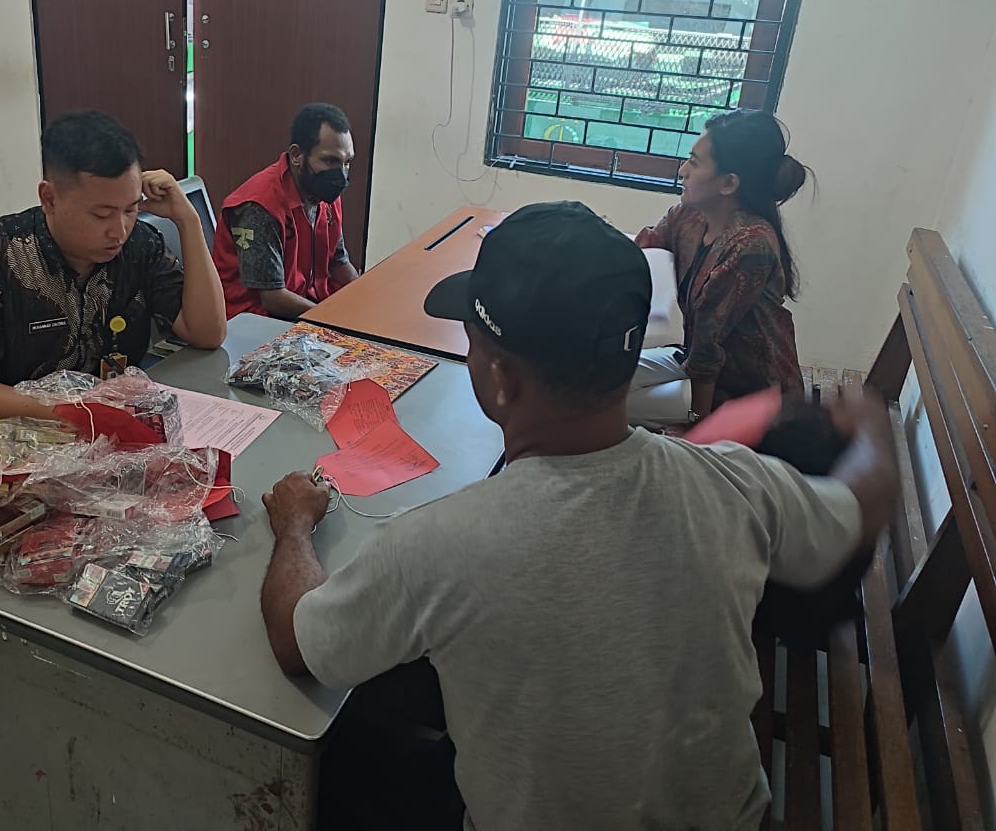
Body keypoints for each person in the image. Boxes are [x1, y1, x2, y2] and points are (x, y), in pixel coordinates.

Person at [257, 201, 899, 830]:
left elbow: (296, 642)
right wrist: (872, 428)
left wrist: (294, 525)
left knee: (348, 756)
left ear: (501, 378)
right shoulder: (734, 481)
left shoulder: (437, 545)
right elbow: (864, 503)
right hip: (731, 815)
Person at [0, 110, 226, 428]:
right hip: (12, 443)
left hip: (108, 435)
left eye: (131, 209)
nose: (119, 230)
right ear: (49, 199)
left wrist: (188, 220)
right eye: (101, 215)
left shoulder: (139, 245)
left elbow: (207, 333)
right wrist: (76, 411)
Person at [631, 109, 807, 423]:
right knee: (587, 381)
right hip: (692, 361)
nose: (683, 170)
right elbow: (640, 249)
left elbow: (707, 350)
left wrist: (697, 427)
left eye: (694, 163)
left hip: (747, 395)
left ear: (728, 183)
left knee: (598, 407)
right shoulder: (688, 216)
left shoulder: (750, 246)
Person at [213, 103, 360, 319]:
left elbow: (338, 263)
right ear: (296, 155)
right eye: (330, 160)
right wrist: (331, 319)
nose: (341, 174)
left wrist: (364, 300)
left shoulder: (325, 195)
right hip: (256, 320)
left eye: (347, 163)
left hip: (306, 306)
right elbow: (272, 297)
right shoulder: (260, 206)